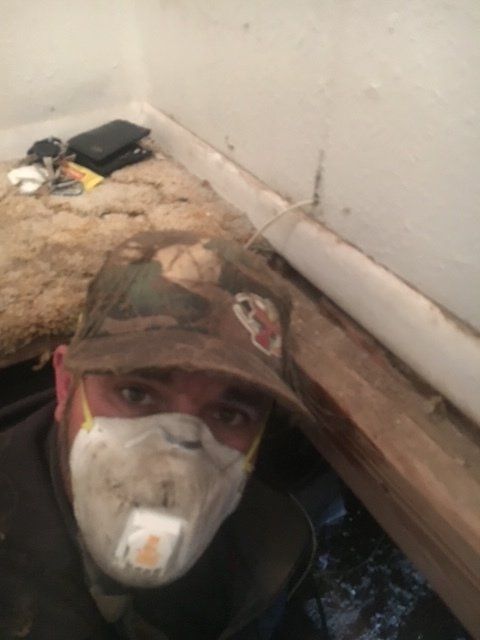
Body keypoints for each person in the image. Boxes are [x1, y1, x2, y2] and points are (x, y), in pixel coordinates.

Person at [0, 229, 326, 640]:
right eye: (136, 394)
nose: (176, 457)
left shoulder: (267, 547)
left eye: (228, 414)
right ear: (66, 386)